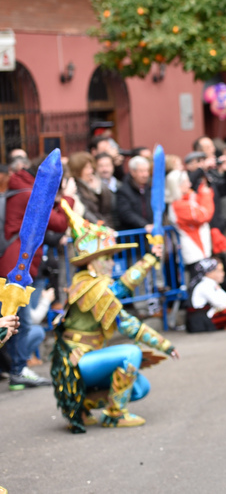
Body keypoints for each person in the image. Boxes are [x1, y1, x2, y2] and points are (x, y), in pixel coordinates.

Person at [50, 203, 178, 431]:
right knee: (131, 353)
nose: (111, 263)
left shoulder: (93, 285)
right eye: (106, 258)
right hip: (78, 362)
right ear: (91, 262)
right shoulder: (86, 285)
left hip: (89, 358)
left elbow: (117, 295)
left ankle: (83, 404)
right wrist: (148, 260)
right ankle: (115, 414)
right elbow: (125, 312)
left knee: (140, 388)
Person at [1, 157, 69, 389]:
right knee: (21, 322)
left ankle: (13, 368)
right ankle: (18, 370)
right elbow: (58, 223)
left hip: (15, 263)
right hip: (14, 267)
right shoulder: (27, 192)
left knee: (14, 321)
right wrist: (67, 197)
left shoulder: (17, 188)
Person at [165, 169, 215, 271]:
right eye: (186, 182)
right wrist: (205, 193)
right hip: (194, 252)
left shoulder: (187, 198)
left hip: (201, 251)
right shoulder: (177, 205)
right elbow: (204, 215)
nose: (190, 184)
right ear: (178, 186)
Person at [186, 257, 226, 332]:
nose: (223, 273)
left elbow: (225, 297)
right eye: (219, 271)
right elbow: (219, 302)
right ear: (209, 272)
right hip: (200, 320)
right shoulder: (204, 285)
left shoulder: (212, 284)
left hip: (207, 316)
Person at [68, 152, 116, 226]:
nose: (91, 171)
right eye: (87, 168)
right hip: (90, 228)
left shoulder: (92, 184)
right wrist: (101, 227)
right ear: (78, 169)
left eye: (91, 168)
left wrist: (98, 189)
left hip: (102, 225)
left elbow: (106, 208)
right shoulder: (74, 187)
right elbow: (85, 212)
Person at [114, 156, 153, 232]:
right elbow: (126, 213)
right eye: (141, 171)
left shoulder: (150, 187)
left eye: (147, 171)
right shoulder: (124, 190)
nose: (145, 175)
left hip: (150, 232)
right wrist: (144, 224)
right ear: (133, 172)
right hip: (133, 233)